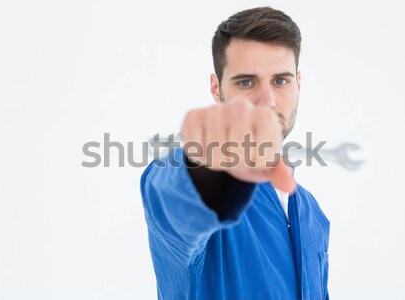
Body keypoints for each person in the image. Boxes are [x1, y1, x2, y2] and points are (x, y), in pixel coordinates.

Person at [140, 6, 330, 300]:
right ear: (216, 89)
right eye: (246, 82)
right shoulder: (188, 173)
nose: (266, 101)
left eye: (281, 80)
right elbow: (172, 197)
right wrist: (209, 168)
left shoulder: (311, 211)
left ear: (298, 84)